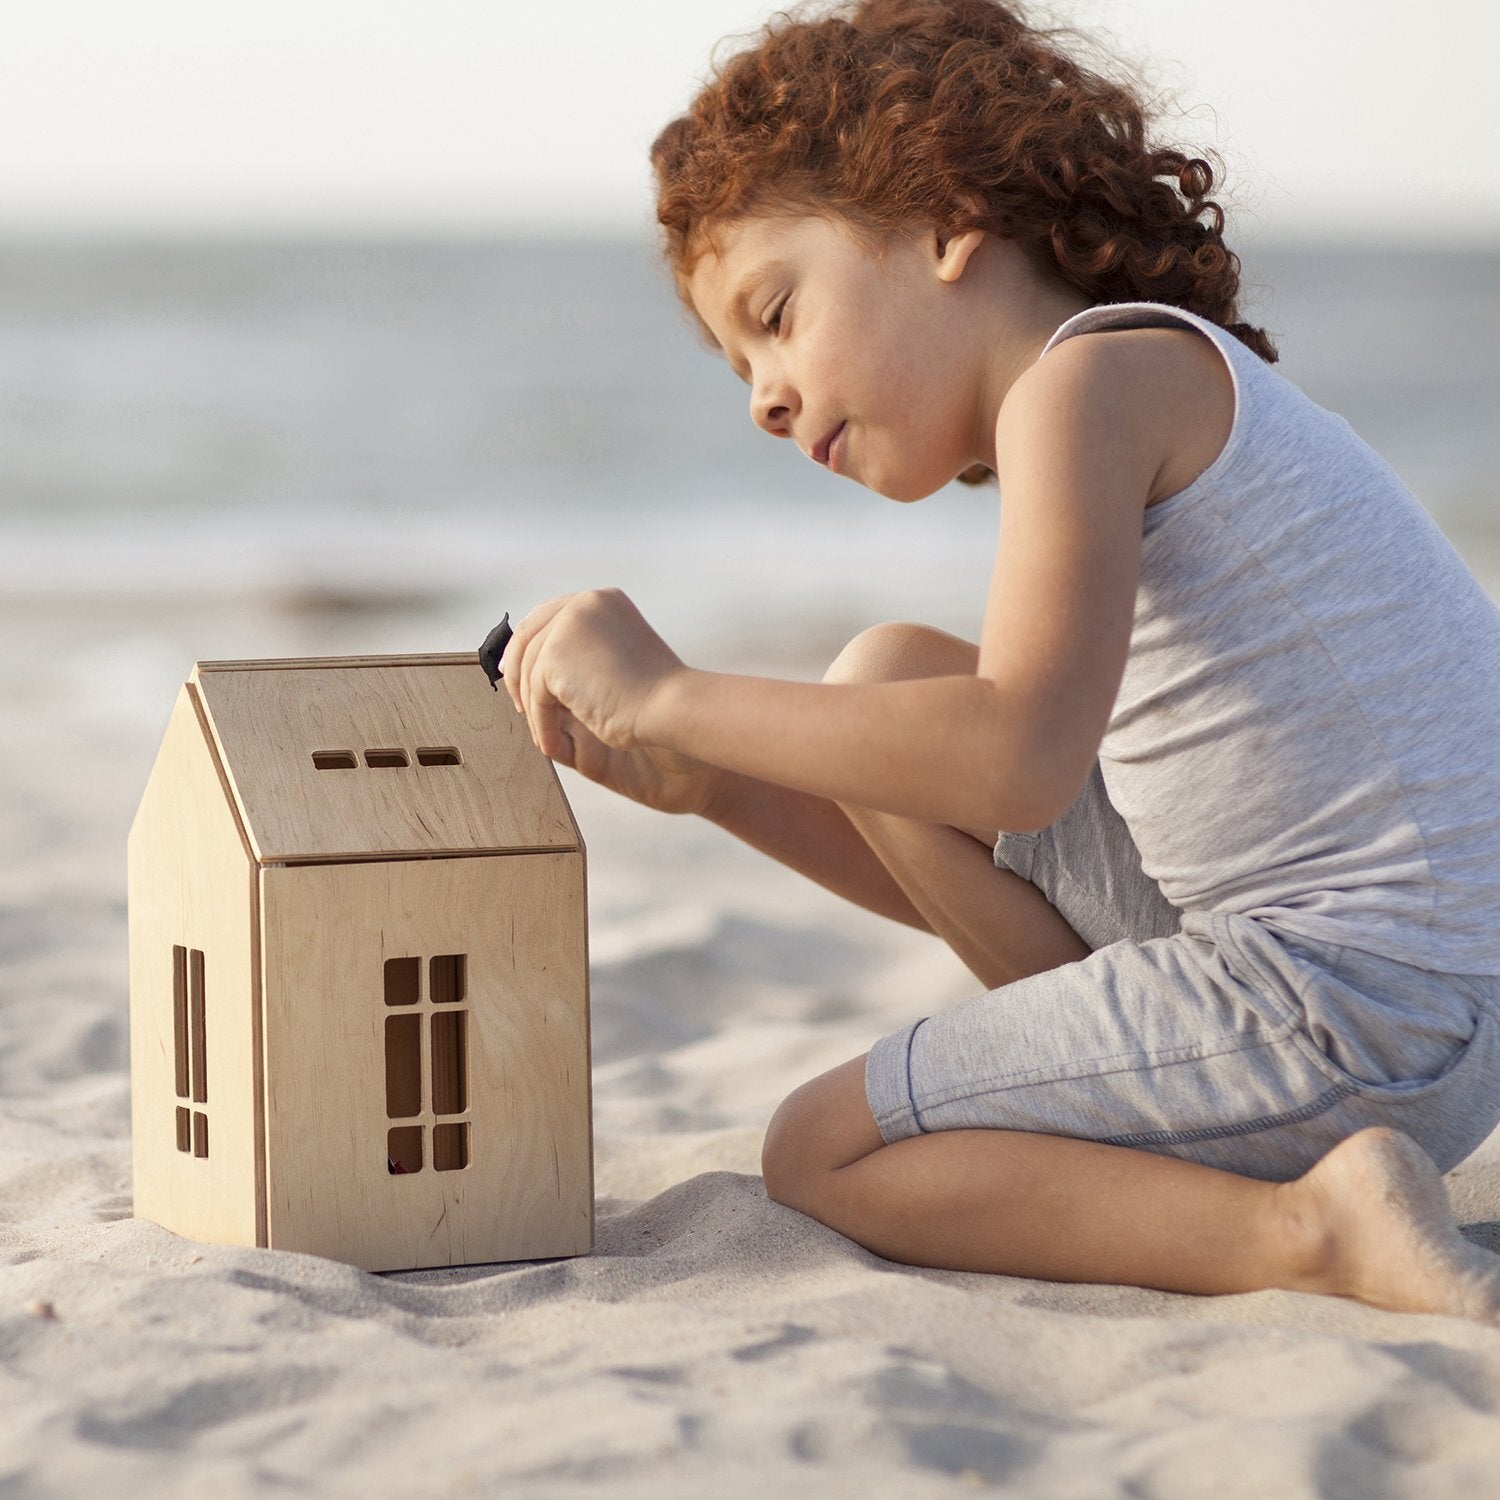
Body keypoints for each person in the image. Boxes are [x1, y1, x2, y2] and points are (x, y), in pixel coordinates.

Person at [498, 0, 1500, 1319]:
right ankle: (1143, 1106)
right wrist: (716, 784)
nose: (763, 396)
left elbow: (1018, 759)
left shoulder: (1089, 389)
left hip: (1349, 1009)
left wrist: (675, 694)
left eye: (777, 312)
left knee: (821, 1148)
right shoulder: (1129, 379)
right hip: (1419, 1003)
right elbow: (973, 802)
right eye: (741, 363)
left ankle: (1303, 1233)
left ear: (944, 220)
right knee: (887, 678)